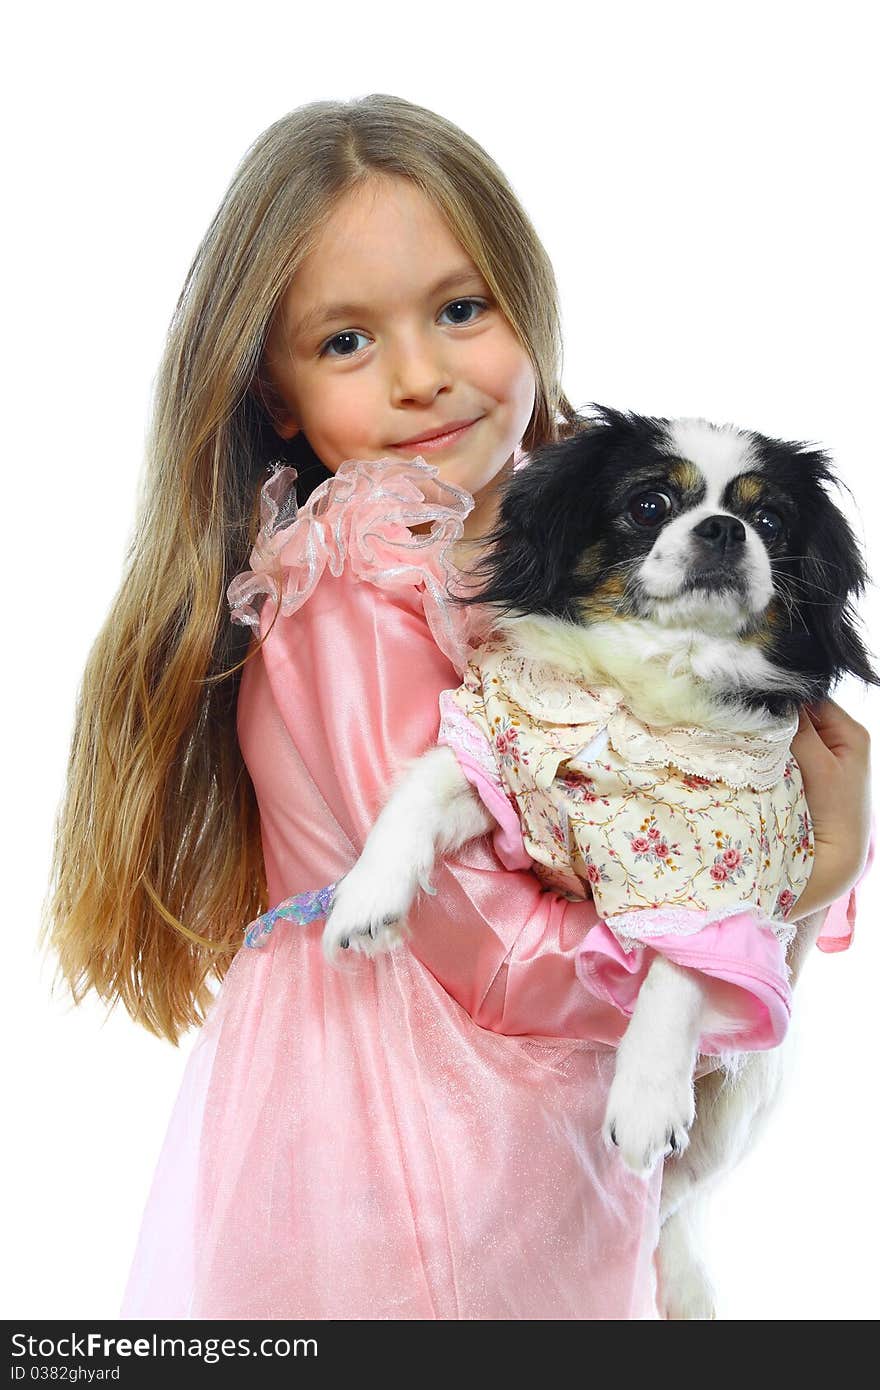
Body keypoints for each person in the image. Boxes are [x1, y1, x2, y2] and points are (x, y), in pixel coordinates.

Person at [43, 94, 873, 1320]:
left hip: (538, 1130)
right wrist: (798, 880)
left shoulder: (550, 565)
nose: (423, 376)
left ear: (523, 303)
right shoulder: (351, 581)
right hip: (413, 1133)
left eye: (457, 309)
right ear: (272, 392)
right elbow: (484, 931)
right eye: (346, 342)